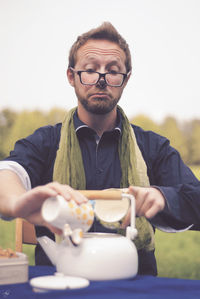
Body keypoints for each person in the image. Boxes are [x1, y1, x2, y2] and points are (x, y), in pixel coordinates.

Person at [0, 22, 200, 276]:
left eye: (113, 71)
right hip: (58, 286)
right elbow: (8, 172)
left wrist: (162, 197)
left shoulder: (153, 146)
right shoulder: (46, 141)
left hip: (133, 286)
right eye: (90, 69)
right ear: (71, 76)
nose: (102, 80)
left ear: (125, 80)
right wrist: (16, 201)